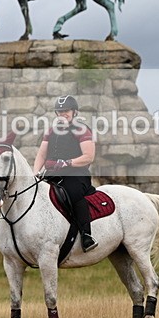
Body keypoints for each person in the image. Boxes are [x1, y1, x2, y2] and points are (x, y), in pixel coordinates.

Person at [33, 95, 98, 252]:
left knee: (73, 194)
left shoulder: (82, 130)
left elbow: (89, 156)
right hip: (52, 174)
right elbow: (41, 155)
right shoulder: (50, 131)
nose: (62, 114)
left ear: (74, 112)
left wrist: (67, 162)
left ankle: (86, 236)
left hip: (76, 174)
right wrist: (35, 172)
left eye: (66, 111)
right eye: (59, 111)